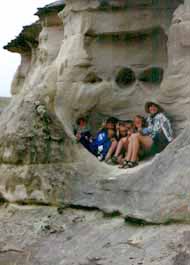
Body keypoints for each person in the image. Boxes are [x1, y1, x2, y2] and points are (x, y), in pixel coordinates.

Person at [120, 102, 174, 169]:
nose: (152, 108)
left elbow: (154, 130)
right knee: (133, 136)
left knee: (136, 136)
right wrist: (141, 130)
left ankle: (133, 160)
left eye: (155, 106)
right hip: (154, 141)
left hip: (161, 141)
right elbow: (147, 130)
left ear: (158, 108)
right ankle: (128, 160)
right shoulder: (149, 118)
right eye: (150, 106)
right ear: (148, 109)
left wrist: (143, 130)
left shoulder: (161, 116)